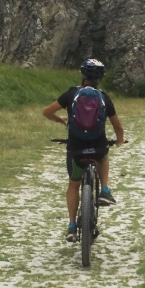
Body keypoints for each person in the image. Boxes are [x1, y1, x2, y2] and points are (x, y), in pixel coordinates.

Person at [43, 58, 125, 243]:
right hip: (97, 146)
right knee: (104, 156)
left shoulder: (71, 94)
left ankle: (72, 226)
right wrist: (119, 140)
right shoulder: (103, 97)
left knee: (73, 184)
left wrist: (61, 120)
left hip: (76, 147)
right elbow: (118, 127)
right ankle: (104, 190)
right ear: (100, 78)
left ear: (83, 74)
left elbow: (46, 112)